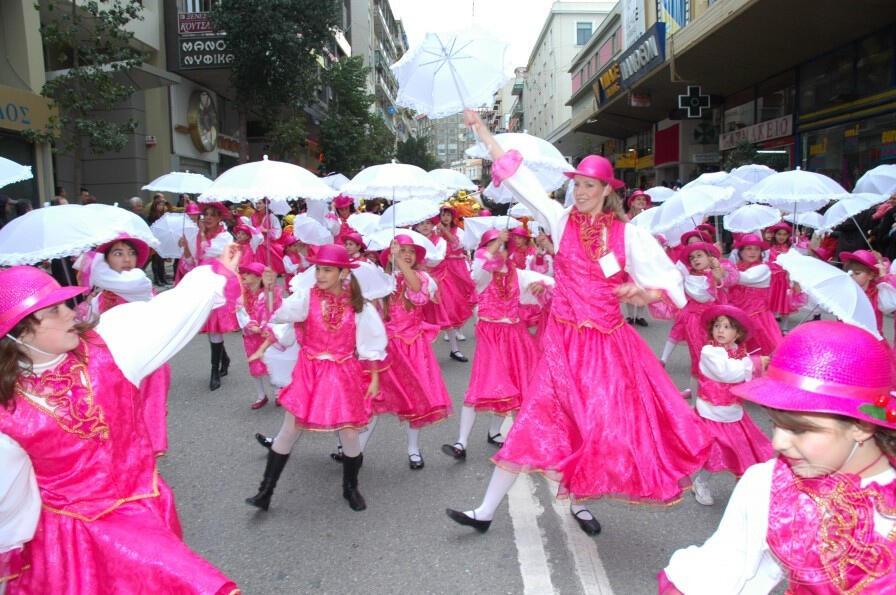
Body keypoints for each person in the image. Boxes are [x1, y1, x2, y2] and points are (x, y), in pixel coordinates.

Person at [446, 110, 709, 536]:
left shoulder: (630, 236)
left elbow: (669, 284)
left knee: (595, 426)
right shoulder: (559, 218)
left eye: (589, 185)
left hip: (608, 347)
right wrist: (483, 132)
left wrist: (640, 293)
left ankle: (579, 503)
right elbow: (520, 180)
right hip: (561, 343)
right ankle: (485, 510)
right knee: (536, 417)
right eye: (577, 184)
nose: (581, 191)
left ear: (608, 190)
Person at [0, 248, 242, 594]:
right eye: (54, 310)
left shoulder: (107, 347)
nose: (71, 313)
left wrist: (215, 273)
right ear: (18, 333)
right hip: (71, 542)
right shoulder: (7, 410)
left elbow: (167, 312)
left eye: (66, 303)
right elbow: (8, 500)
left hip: (142, 510)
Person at [660, 321, 896, 594]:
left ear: (861, 427)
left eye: (800, 429)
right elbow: (725, 570)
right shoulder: (769, 484)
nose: (778, 442)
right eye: (775, 423)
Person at [245, 244, 387, 512]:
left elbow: (372, 341)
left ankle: (350, 488)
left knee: (348, 432)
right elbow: (281, 314)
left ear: (344, 273)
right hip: (309, 372)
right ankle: (265, 491)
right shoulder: (306, 298)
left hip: (343, 372)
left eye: (328, 270)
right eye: (318, 269)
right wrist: (270, 289)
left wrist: (375, 378)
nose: (320, 275)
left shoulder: (359, 306)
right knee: (290, 429)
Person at [441, 228, 553, 462]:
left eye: (502, 246)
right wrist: (494, 245)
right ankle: (461, 442)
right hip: (490, 335)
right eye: (492, 245)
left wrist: (542, 286)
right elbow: (479, 270)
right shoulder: (483, 274)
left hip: (514, 335)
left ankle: (495, 432)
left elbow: (549, 282)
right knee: (480, 385)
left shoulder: (519, 275)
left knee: (512, 384)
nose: (498, 250)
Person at [353, 236, 453, 469]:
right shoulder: (380, 280)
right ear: (389, 254)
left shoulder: (421, 277)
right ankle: (356, 451)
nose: (407, 254)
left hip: (412, 348)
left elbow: (418, 293)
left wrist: (401, 262)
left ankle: (413, 449)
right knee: (373, 399)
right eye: (402, 250)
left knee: (414, 400)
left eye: (411, 251)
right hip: (384, 349)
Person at [74, 234, 171, 456]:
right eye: (118, 253)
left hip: (145, 360)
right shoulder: (100, 296)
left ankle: (145, 464)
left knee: (146, 416)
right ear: (107, 260)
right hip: (114, 364)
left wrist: (89, 263)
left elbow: (109, 278)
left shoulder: (139, 283)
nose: (127, 259)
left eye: (131, 253)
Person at [690, 305, 774, 507]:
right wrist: (754, 364)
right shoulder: (710, 352)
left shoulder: (739, 352)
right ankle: (700, 483)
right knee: (714, 452)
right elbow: (726, 373)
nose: (720, 330)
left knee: (742, 450)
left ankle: (745, 489)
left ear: (738, 333)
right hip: (711, 412)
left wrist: (760, 366)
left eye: (727, 327)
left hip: (732, 411)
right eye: (717, 326)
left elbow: (744, 378)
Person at [190, 202, 238, 391]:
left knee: (215, 325)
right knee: (211, 326)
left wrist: (201, 237)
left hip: (219, 284)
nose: (208, 218)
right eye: (205, 214)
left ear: (219, 218)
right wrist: (187, 247)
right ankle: (223, 359)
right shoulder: (198, 236)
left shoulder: (225, 236)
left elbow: (211, 252)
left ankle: (214, 371)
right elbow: (194, 258)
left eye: (212, 215)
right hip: (202, 281)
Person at [727, 233, 783, 356]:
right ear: (740, 252)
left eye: (756, 249)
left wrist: (722, 268)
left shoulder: (763, 269)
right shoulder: (736, 267)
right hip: (736, 317)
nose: (753, 252)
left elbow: (744, 278)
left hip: (758, 319)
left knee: (760, 352)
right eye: (748, 248)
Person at [237, 263, 283, 410]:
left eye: (249, 274)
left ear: (259, 277)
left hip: (265, 335)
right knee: (254, 365)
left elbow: (272, 312)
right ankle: (261, 395)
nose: (244, 276)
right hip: (250, 336)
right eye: (244, 273)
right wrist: (250, 326)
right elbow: (240, 313)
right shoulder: (242, 295)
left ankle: (278, 393)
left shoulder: (268, 294)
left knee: (270, 363)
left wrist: (262, 327)